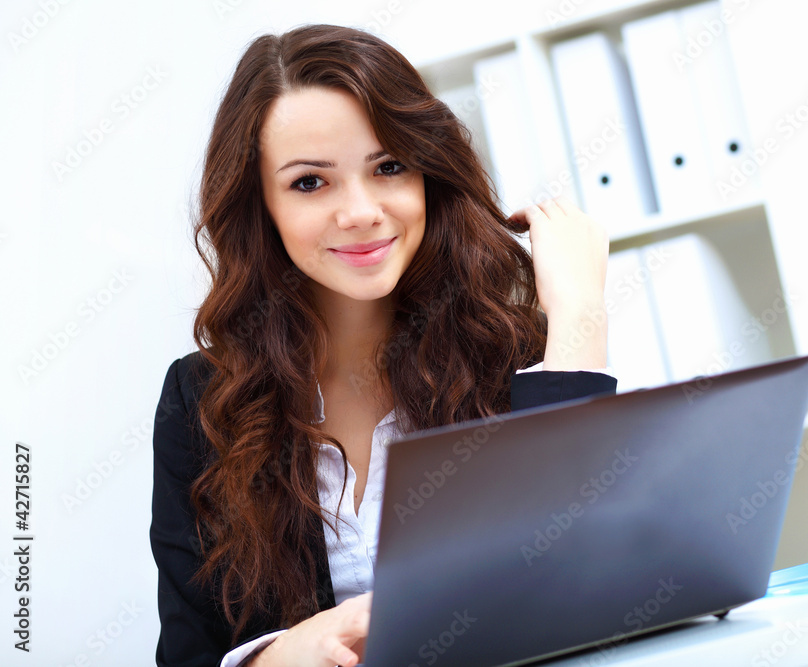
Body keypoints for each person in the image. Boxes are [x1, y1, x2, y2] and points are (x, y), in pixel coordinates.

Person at [149, 24, 615, 667]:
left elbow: (592, 587)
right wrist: (276, 659)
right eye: (310, 182)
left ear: (428, 174)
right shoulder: (201, 402)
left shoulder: (519, 357)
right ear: (261, 207)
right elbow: (189, 655)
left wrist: (581, 320)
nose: (361, 211)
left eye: (389, 166)